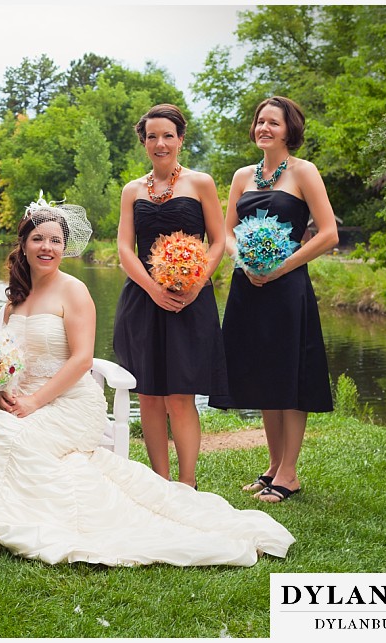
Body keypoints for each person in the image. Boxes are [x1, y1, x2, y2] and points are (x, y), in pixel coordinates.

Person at [0, 197, 294, 567]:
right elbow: (7, 360)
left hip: (67, 402)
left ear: (65, 247)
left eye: (55, 241)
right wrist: (4, 391)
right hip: (20, 399)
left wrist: (33, 402)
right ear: (24, 245)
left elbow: (81, 360)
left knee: (16, 438)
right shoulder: (13, 302)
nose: (47, 247)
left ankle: (31, 511)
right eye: (38, 239)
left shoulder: (74, 291)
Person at [209, 96, 338, 503]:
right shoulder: (242, 175)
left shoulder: (304, 172)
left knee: (289, 374)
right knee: (264, 374)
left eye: (273, 123)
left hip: (287, 288)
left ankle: (290, 474)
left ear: (289, 130)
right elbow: (227, 231)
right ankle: (272, 465)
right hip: (248, 285)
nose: (264, 128)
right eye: (260, 122)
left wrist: (281, 267)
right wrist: (242, 259)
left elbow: (328, 233)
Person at [112, 104, 228, 487]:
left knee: (180, 395)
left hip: (190, 302)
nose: (160, 143)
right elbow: (125, 249)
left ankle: (187, 484)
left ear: (180, 138)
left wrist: (195, 284)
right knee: (148, 394)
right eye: (151, 136)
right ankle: (161, 483)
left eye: (167, 135)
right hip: (143, 301)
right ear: (143, 142)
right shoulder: (132, 190)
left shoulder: (201, 183)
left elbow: (218, 240)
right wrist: (152, 288)